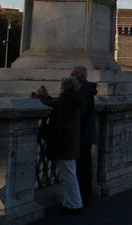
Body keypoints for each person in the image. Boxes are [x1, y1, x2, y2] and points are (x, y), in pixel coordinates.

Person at [36, 77, 83, 214]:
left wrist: (43, 97)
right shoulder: (74, 99)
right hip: (71, 142)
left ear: (65, 88)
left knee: (69, 175)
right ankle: (70, 202)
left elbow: (53, 104)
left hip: (65, 143)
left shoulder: (66, 100)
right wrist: (47, 96)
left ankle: (74, 204)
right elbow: (56, 103)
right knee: (70, 173)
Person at [71, 65, 97, 206]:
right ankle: (84, 195)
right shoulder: (86, 90)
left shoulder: (84, 92)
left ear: (80, 77)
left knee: (82, 169)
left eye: (73, 75)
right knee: (84, 168)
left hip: (82, 136)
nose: (71, 78)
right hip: (85, 135)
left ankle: (83, 197)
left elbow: (81, 113)